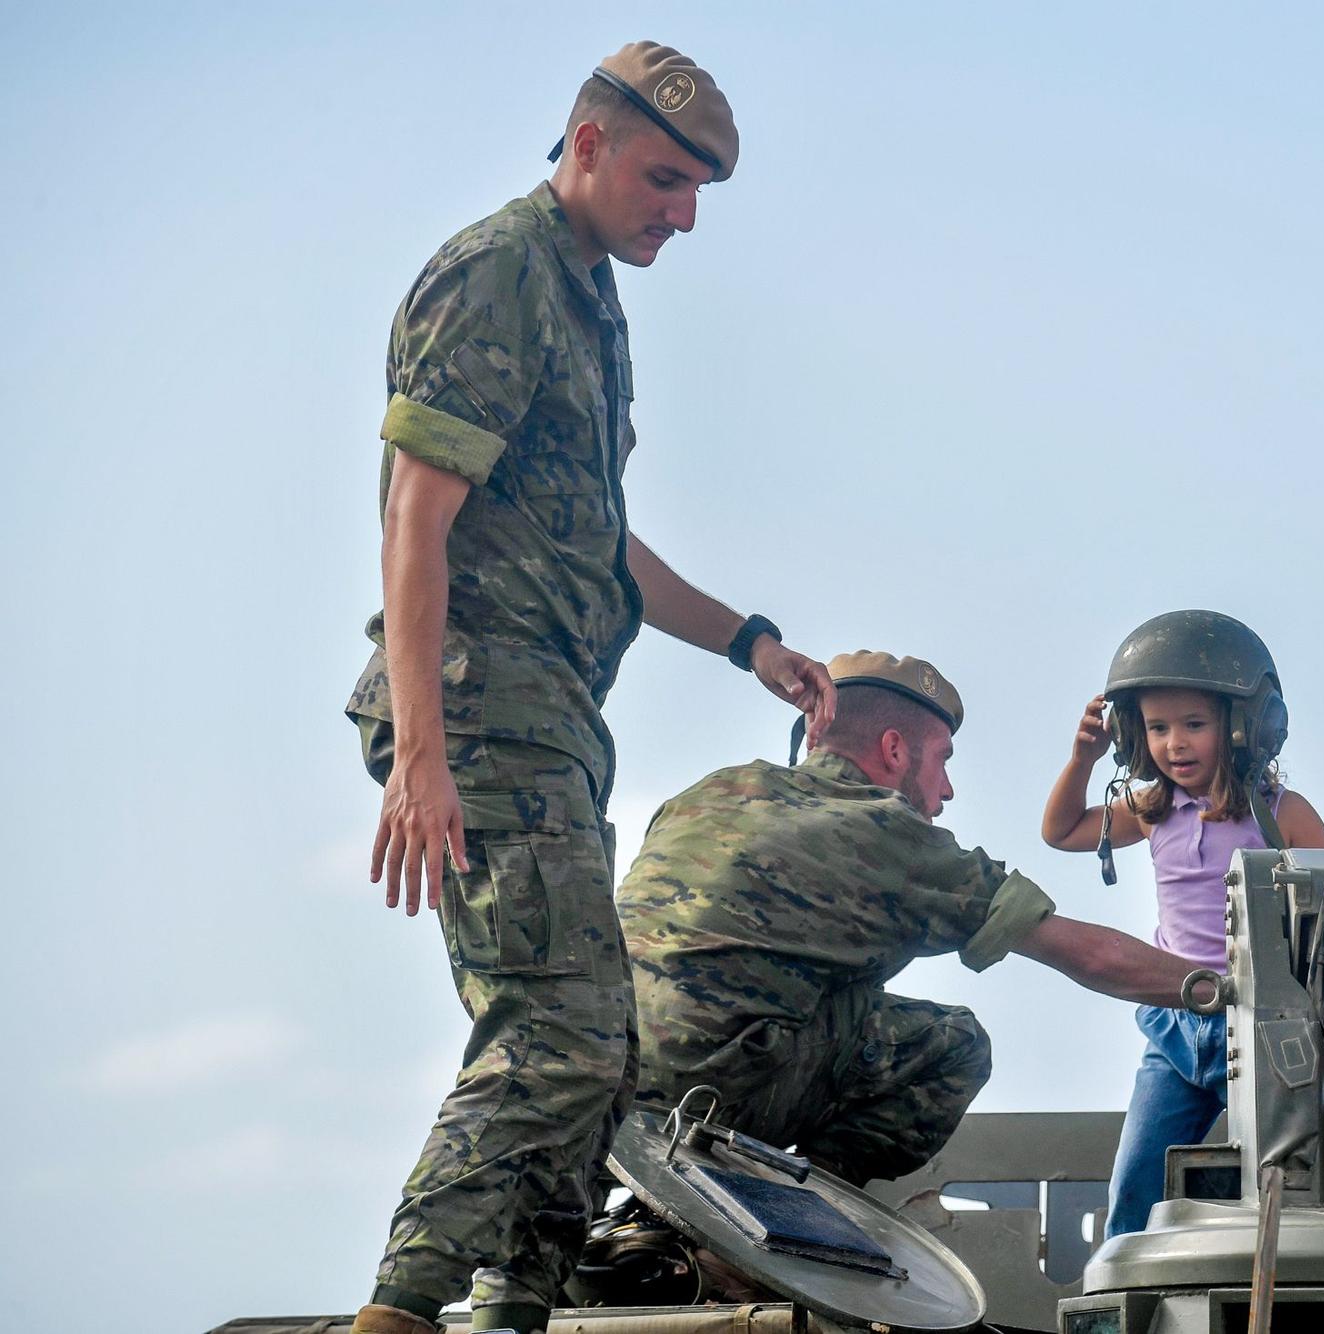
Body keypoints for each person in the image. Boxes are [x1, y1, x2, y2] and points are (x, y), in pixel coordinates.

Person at [343, 43, 835, 1334]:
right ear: (587, 145)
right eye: (665, 179)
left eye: (698, 195)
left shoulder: (583, 293)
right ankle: (399, 1312)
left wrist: (750, 643)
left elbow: (592, 533)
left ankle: (520, 1301)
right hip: (480, 707)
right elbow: (415, 520)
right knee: (551, 1031)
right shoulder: (500, 272)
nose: (681, 213)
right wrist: (424, 753)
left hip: (550, 715)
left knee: (601, 1047)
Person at [615, 652, 1216, 1189]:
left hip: (603, 1089)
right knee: (953, 1044)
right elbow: (1087, 954)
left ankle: (661, 1226)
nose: (947, 789)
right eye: (942, 762)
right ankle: (789, 1214)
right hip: (713, 1096)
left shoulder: (710, 792)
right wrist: (1229, 990)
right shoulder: (886, 834)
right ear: (895, 749)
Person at [1041, 610, 1324, 1237]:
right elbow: (1061, 831)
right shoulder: (1152, 810)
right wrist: (1083, 760)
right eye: (1156, 727)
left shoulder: (1285, 817)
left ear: (1245, 728)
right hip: (1174, 1029)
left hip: (1257, 1029)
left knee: (1287, 1182)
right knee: (1135, 1186)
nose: (1174, 744)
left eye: (1194, 725)